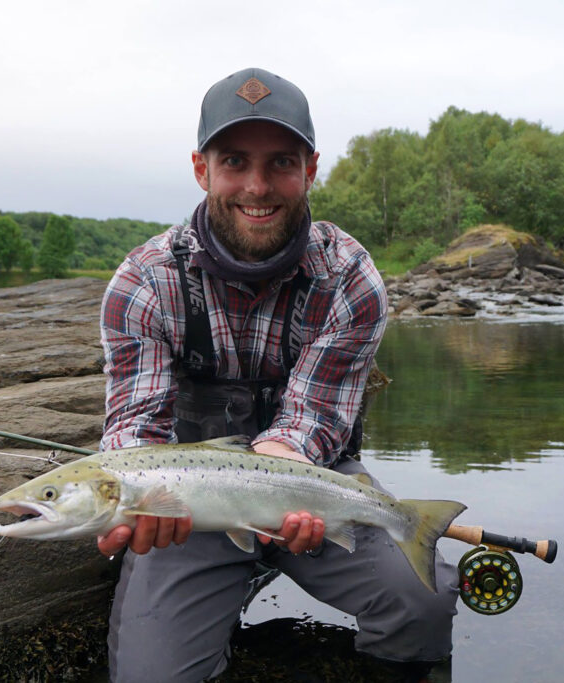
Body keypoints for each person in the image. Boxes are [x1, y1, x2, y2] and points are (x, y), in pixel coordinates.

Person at [96, 67, 456, 682]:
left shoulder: (349, 276)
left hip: (315, 485)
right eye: (235, 161)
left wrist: (279, 482)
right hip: (187, 500)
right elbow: (133, 426)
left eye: (280, 163)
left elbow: (312, 419)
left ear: (310, 169)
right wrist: (133, 501)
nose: (257, 186)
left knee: (419, 605)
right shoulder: (145, 281)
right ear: (201, 168)